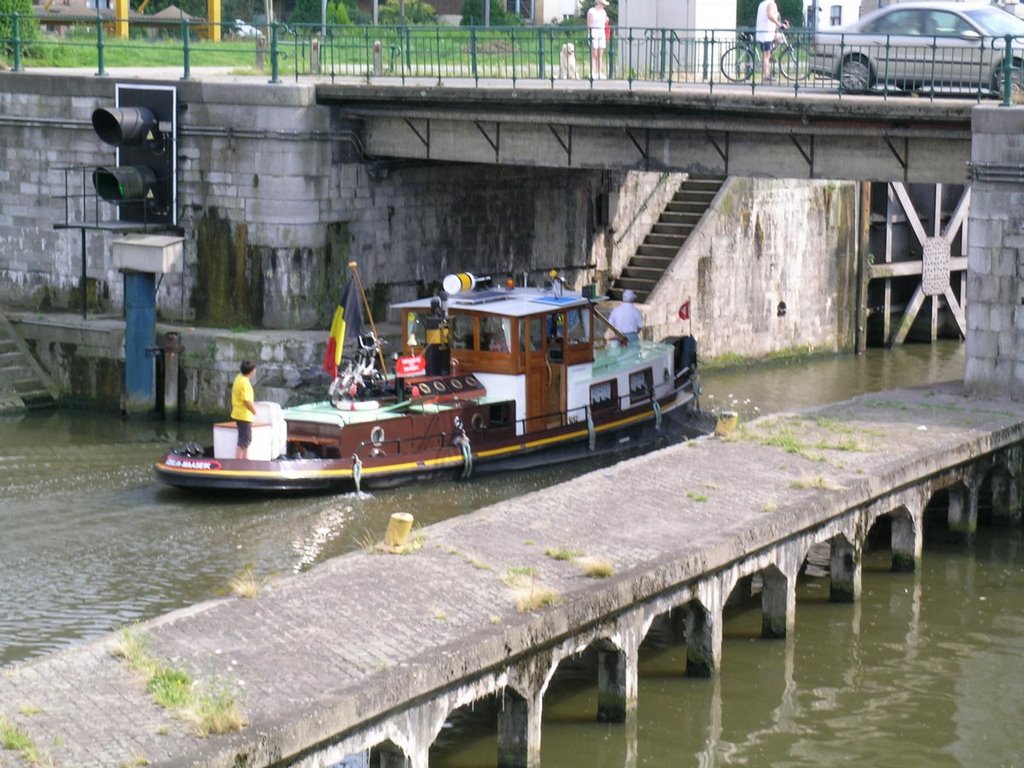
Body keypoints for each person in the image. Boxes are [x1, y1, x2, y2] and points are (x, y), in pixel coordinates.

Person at [231, 360, 257, 459]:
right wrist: (254, 411)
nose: (255, 371)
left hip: (238, 413)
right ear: (251, 372)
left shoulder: (239, 378)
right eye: (254, 370)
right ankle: (239, 464)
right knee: (244, 441)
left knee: (244, 440)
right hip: (244, 415)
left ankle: (245, 462)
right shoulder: (244, 383)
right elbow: (247, 401)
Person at [755, 0, 782, 82]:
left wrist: (778, 24)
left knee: (779, 38)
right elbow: (770, 16)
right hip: (766, 33)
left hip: (762, 32)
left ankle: (769, 57)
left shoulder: (762, 4)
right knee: (766, 55)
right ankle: (766, 75)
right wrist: (779, 24)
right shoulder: (771, 4)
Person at [587, 0, 610, 80]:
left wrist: (606, 20)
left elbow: (604, 23)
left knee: (600, 53)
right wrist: (590, 34)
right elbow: (589, 24)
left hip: (601, 33)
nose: (604, 6)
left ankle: (599, 72)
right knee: (594, 54)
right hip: (594, 33)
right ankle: (592, 72)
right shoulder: (591, 11)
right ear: (599, 3)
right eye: (603, 4)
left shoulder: (603, 12)